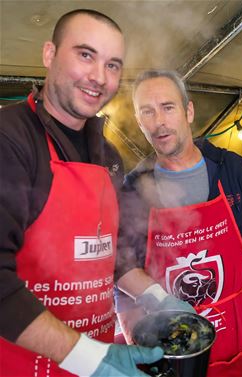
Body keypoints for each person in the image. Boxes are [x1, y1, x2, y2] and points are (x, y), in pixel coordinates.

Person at [0, 9, 164, 377]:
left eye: (113, 65)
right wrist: (85, 356)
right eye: (85, 55)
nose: (99, 77)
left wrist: (159, 297)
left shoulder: (108, 156)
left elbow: (110, 254)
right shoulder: (9, 138)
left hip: (96, 353)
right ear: (49, 54)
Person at [114, 69, 242, 377]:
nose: (159, 121)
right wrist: (139, 344)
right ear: (139, 122)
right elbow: (121, 274)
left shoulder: (231, 170)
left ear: (188, 111)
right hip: (175, 353)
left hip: (240, 343)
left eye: (168, 107)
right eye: (147, 112)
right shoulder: (133, 190)